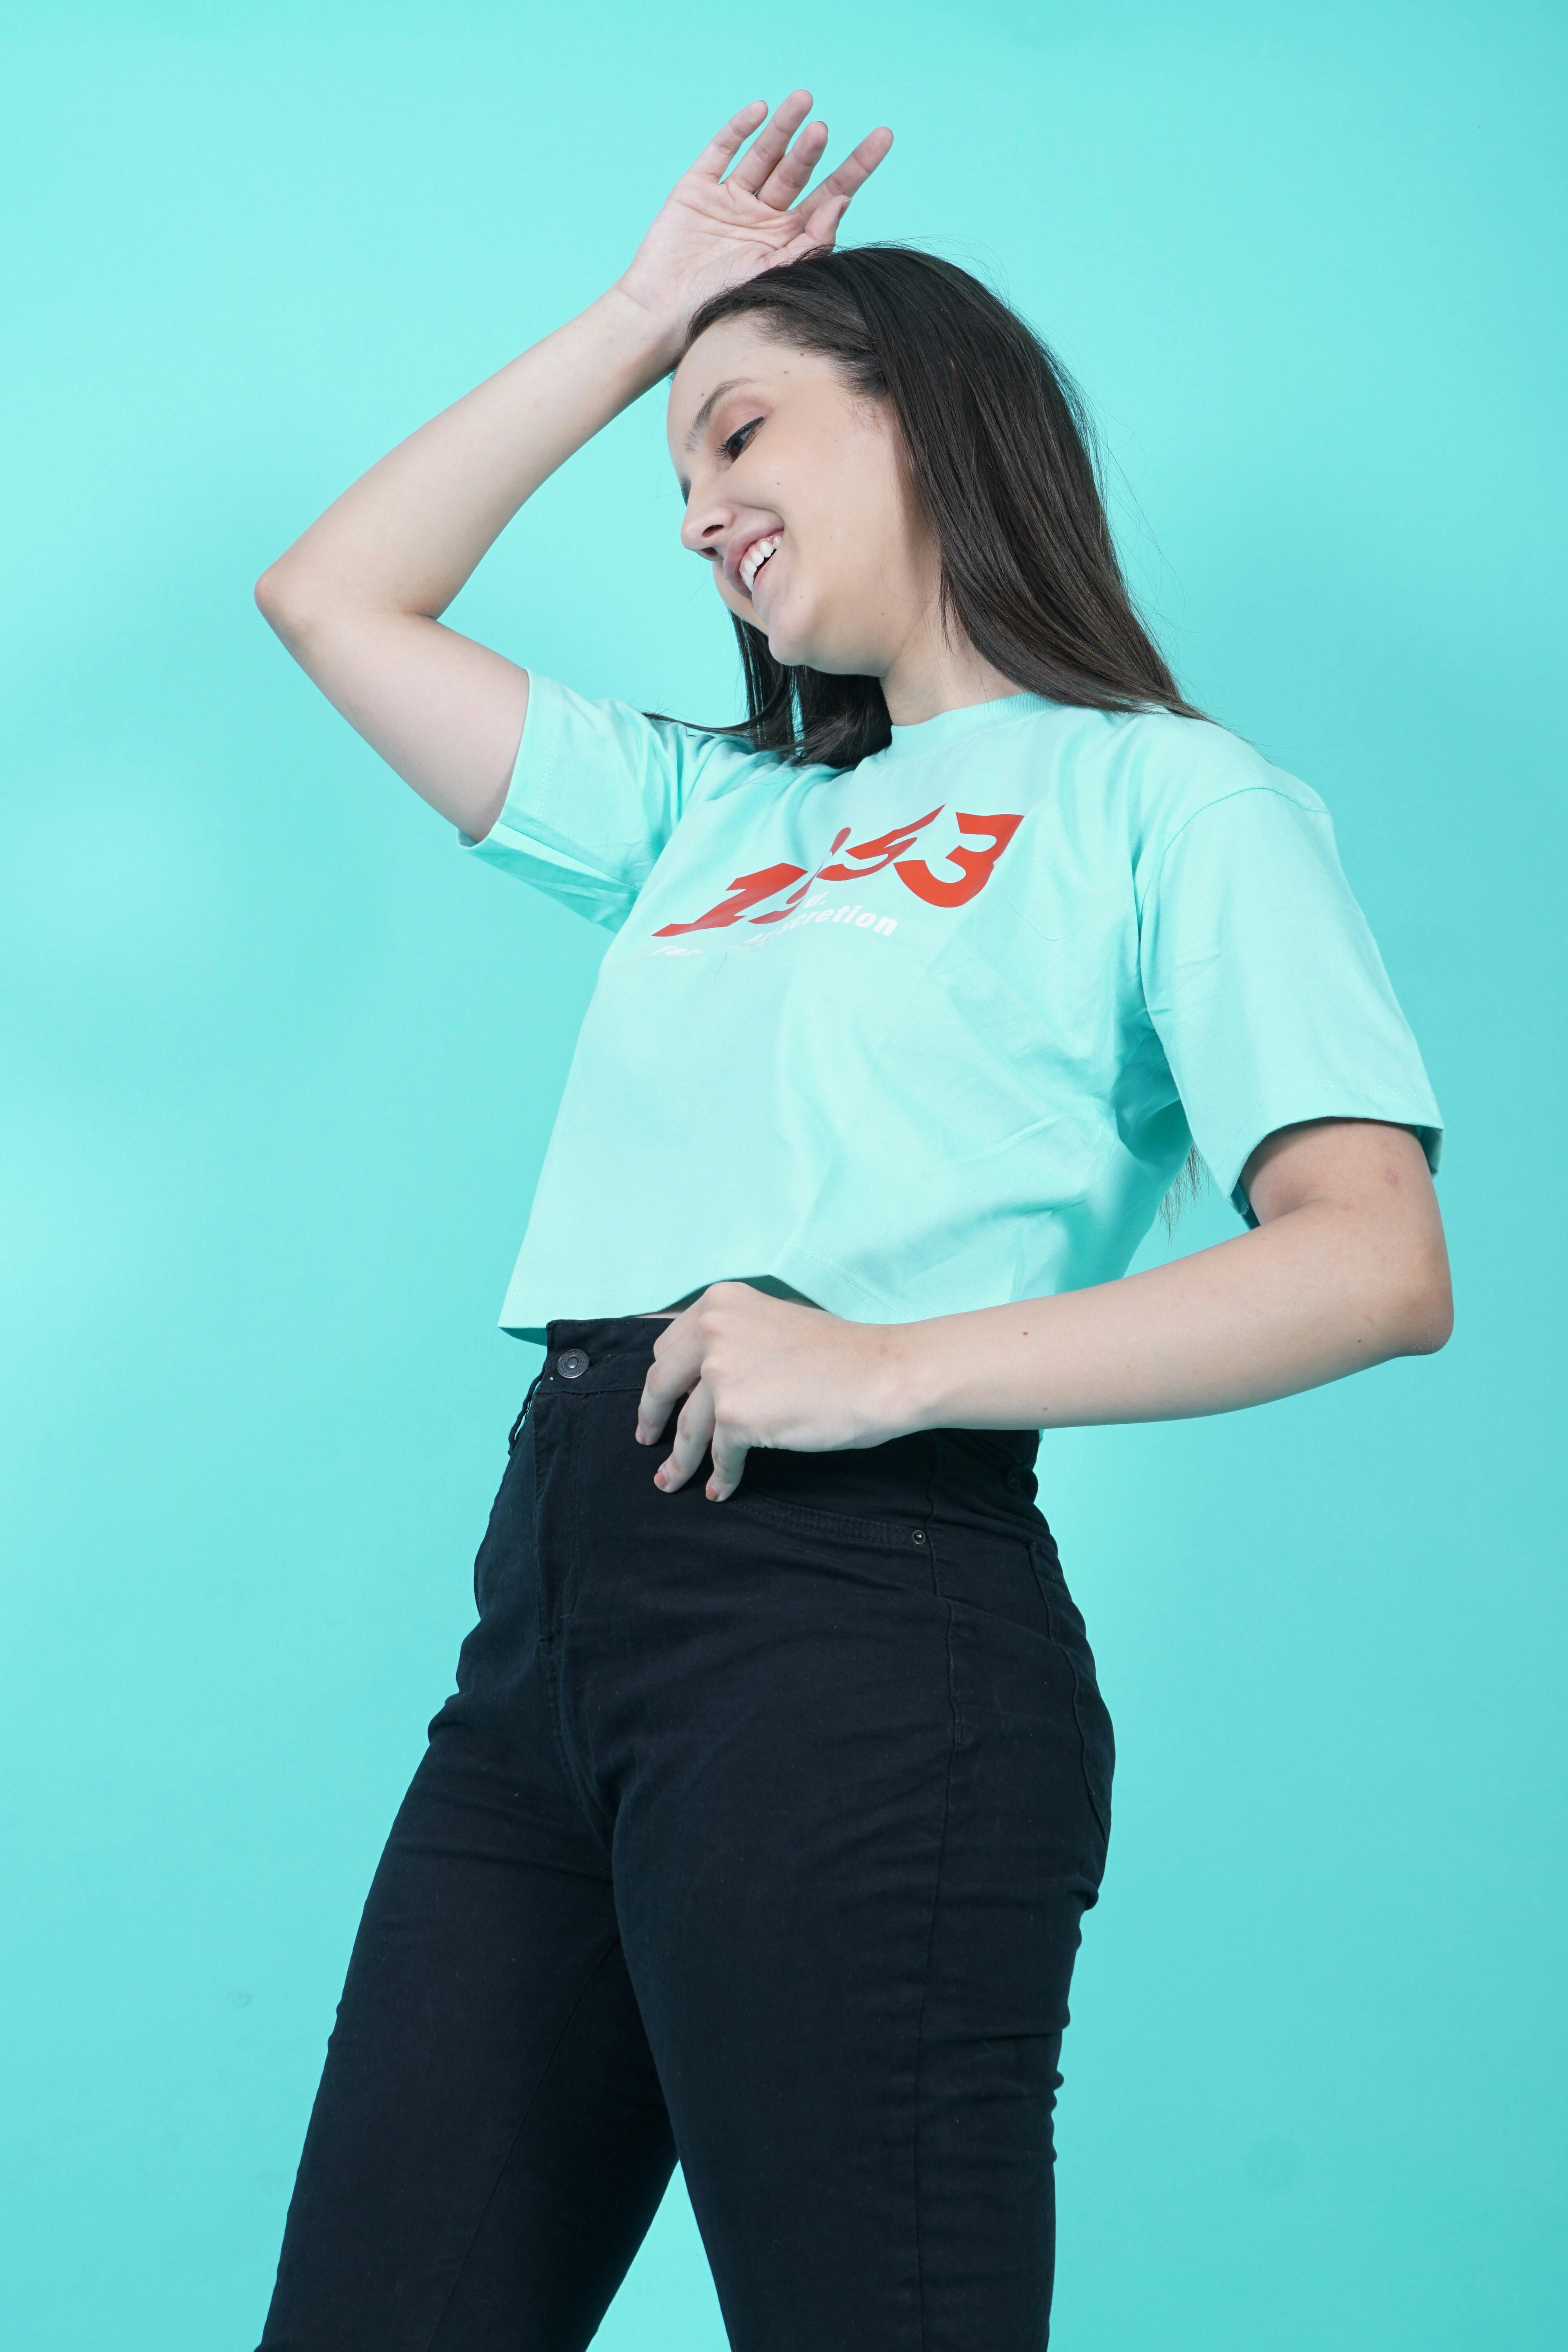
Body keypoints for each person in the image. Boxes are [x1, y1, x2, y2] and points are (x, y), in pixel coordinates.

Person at [251, 91, 1450, 2352]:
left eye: (742, 436)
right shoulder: (709, 811)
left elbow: (1379, 1257)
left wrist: (887, 1366)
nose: (701, 512)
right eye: (677, 481)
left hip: (863, 1623)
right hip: (550, 1640)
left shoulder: (1166, 796)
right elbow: (334, 594)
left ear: (930, 413)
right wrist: (641, 321)